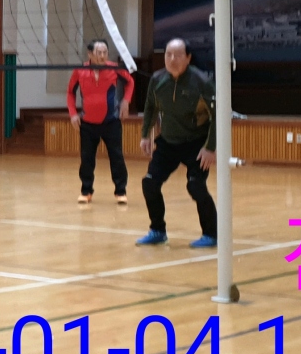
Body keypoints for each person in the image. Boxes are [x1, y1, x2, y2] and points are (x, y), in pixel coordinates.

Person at [136, 38, 218, 248]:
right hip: (168, 143)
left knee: (196, 186)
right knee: (149, 183)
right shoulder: (157, 80)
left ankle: (211, 234)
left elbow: (218, 115)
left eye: (178, 55)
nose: (172, 59)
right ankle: (157, 230)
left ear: (188, 58)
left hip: (196, 144)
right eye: (168, 55)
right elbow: (150, 107)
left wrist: (210, 148)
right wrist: (145, 135)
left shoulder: (201, 82)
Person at [66, 40, 134, 206]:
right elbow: (70, 92)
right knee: (87, 159)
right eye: (99, 53)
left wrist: (126, 101)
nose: (103, 56)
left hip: (111, 122)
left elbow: (130, 82)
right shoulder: (80, 70)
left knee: (117, 157)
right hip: (88, 124)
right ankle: (86, 191)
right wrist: (73, 114)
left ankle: (121, 191)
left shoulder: (115, 68)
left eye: (105, 52)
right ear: (90, 54)